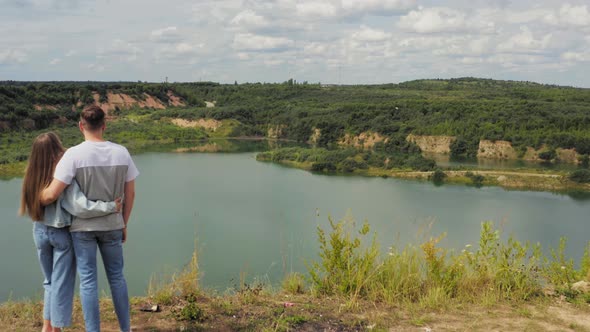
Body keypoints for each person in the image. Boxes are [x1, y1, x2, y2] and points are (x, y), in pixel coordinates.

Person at [41, 105, 138, 332]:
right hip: (113, 225)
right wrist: (124, 222)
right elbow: (130, 193)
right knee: (117, 278)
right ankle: (126, 329)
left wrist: (33, 197)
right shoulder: (122, 152)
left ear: (80, 126)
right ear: (104, 125)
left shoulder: (73, 155)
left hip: (81, 229)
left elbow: (54, 192)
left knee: (88, 282)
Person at [19, 132, 122, 332]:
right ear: (56, 150)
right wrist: (110, 207)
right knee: (61, 284)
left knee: (49, 281)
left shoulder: (31, 175)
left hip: (39, 232)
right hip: (60, 233)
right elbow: (79, 206)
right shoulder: (61, 174)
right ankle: (56, 329)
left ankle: (46, 327)